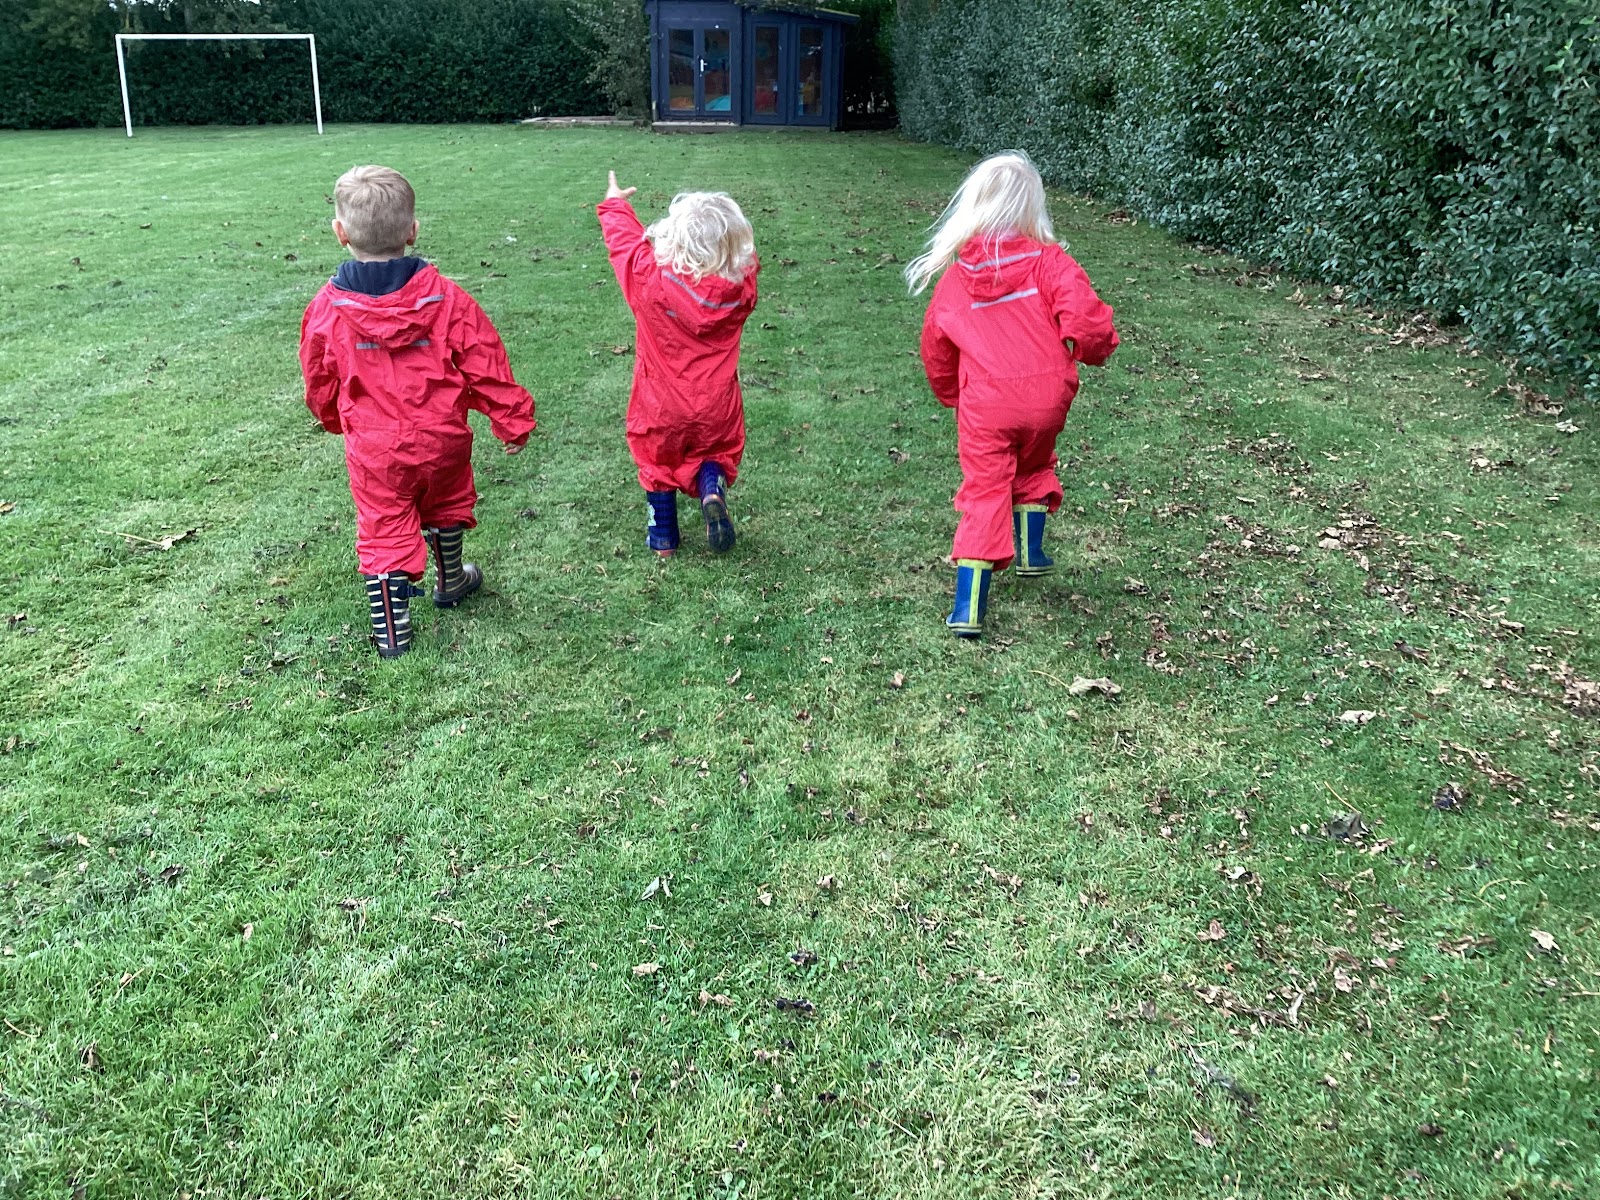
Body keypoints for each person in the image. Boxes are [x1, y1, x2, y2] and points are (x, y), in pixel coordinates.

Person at [300, 165, 535, 658]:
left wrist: (329, 416)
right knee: (445, 500)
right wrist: (511, 417)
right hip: (442, 438)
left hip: (376, 451)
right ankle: (450, 580)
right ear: (412, 231)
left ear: (340, 233)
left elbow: (318, 374)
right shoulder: (448, 298)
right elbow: (486, 360)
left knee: (385, 524)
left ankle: (393, 631)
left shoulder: (326, 309)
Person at [908, 152, 1119, 639]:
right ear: (1032, 208)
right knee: (1035, 460)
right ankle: (1032, 552)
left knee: (986, 490)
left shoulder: (957, 278)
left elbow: (935, 346)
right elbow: (1087, 319)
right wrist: (1096, 349)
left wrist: (950, 393)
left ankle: (968, 609)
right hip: (1046, 398)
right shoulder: (1052, 263)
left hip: (985, 406)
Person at [596, 171, 759, 557]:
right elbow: (748, 264)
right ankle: (711, 488)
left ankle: (663, 539)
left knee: (656, 458)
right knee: (716, 449)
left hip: (659, 404)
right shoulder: (741, 292)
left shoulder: (648, 282)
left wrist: (616, 204)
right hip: (716, 403)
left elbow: (625, 246)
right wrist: (729, 246)